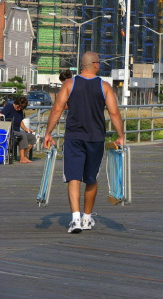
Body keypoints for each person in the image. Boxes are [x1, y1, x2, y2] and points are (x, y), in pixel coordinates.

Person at [44, 51, 124, 234]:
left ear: (82, 65)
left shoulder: (69, 84)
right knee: (91, 178)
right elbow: (114, 113)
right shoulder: (104, 86)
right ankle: (87, 218)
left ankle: (75, 219)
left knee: (73, 177)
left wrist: (48, 133)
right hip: (96, 138)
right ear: (95, 64)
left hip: (74, 137)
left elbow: (57, 109)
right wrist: (120, 135)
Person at [0, 96, 36, 163]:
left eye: (21, 108)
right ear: (15, 104)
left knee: (32, 137)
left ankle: (24, 156)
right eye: (18, 107)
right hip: (9, 130)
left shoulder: (20, 111)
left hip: (16, 130)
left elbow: (20, 121)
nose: (19, 109)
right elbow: (1, 115)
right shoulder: (8, 108)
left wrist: (26, 129)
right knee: (22, 135)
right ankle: (22, 158)